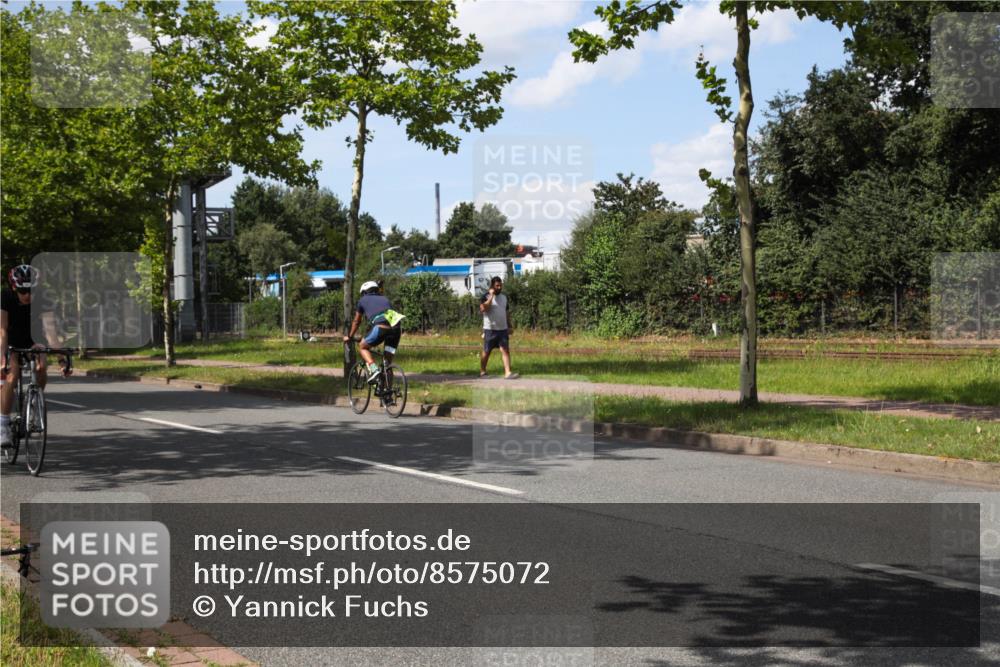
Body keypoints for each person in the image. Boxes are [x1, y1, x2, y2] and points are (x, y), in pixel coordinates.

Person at [1, 264, 70, 448]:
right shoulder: (5, 297)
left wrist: (62, 360)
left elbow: (51, 333)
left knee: (42, 365)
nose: (27, 295)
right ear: (14, 288)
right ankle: (3, 425)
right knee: (12, 375)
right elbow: (2, 331)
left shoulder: (43, 299)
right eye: (22, 291)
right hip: (11, 339)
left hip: (33, 339)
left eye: (31, 291)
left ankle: (34, 403)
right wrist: (3, 357)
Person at [343, 280, 404, 384]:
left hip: (381, 328)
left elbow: (357, 321)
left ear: (364, 292)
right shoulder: (384, 298)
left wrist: (349, 336)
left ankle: (374, 370)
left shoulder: (362, 300)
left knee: (362, 347)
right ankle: (388, 392)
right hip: (396, 330)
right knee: (387, 364)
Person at [479, 276, 518, 379]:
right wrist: (491, 296)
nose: (499, 287)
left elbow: (506, 313)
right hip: (490, 329)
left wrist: (509, 325)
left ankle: (508, 373)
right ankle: (483, 372)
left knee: (505, 350)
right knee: (487, 351)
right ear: (492, 286)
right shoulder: (485, 296)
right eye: (497, 286)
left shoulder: (504, 297)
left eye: (500, 285)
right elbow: (483, 309)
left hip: (502, 329)